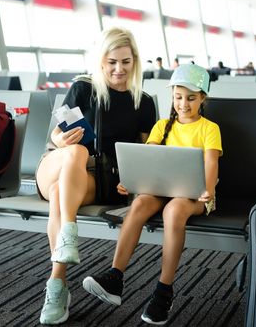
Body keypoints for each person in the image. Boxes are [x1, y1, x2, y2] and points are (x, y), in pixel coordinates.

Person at [82, 64, 222, 325]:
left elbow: (211, 163)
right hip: (163, 189)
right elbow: (148, 161)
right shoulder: (162, 126)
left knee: (174, 211)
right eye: (178, 97)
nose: (183, 104)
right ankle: (115, 276)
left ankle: (163, 290)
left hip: (195, 195)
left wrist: (209, 189)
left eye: (191, 98)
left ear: (203, 97)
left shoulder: (209, 128)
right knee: (140, 204)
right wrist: (131, 182)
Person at [36, 26, 157, 325]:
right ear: (101, 60)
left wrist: (134, 179)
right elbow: (55, 135)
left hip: (101, 179)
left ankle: (57, 284)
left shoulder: (143, 102)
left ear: (135, 61)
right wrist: (62, 141)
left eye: (125, 62)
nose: (118, 69)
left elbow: (146, 151)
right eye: (112, 61)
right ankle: (69, 235)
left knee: (58, 198)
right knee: (75, 153)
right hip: (59, 164)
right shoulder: (83, 89)